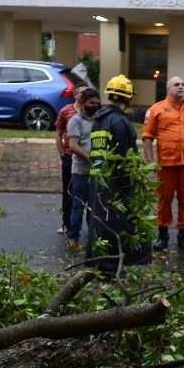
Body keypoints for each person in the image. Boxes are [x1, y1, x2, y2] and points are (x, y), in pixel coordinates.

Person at [87, 74, 151, 272]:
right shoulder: (120, 123)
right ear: (129, 97)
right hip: (115, 183)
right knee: (119, 223)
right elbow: (125, 157)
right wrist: (129, 185)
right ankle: (115, 262)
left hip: (99, 180)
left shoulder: (98, 120)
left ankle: (99, 260)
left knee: (100, 223)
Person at [142, 76, 184, 252]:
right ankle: (162, 235)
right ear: (168, 89)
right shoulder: (156, 110)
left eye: (183, 84)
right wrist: (150, 162)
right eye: (176, 84)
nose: (181, 87)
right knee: (164, 200)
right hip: (166, 165)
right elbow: (147, 137)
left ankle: (183, 235)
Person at [65, 87, 101, 251]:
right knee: (78, 206)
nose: (94, 105)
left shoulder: (98, 120)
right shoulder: (75, 121)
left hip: (96, 171)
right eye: (91, 103)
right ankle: (73, 237)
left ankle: (93, 239)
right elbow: (73, 145)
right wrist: (89, 157)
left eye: (97, 103)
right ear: (83, 103)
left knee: (94, 207)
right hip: (80, 170)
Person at [54, 88, 85, 235]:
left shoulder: (91, 112)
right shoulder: (66, 111)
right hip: (69, 155)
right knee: (68, 191)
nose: (84, 95)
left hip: (85, 157)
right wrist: (62, 153)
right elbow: (58, 133)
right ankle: (66, 223)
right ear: (75, 95)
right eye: (81, 92)